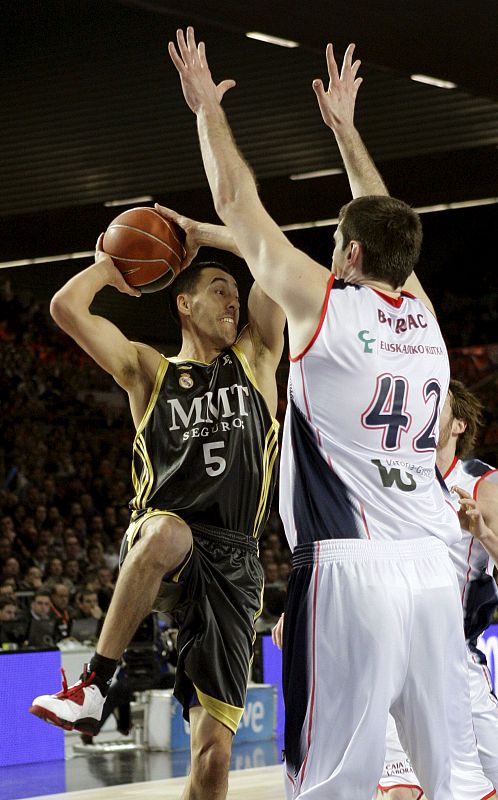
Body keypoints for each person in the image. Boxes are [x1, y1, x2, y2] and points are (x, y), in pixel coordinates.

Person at [168, 27, 495, 799]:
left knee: (327, 780)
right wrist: (348, 131)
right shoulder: (426, 319)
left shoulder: (325, 308)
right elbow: (384, 227)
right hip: (428, 574)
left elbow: (235, 201)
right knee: (451, 779)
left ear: (345, 256)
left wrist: (206, 109)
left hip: (349, 570)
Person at [29, 210, 284, 799]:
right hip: (161, 537)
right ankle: (94, 685)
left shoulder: (258, 358)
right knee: (171, 533)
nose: (234, 302)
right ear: (183, 304)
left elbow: (273, 254)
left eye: (237, 294)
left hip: (234, 566)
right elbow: (66, 309)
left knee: (213, 759)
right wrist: (107, 269)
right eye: (219, 290)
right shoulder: (149, 371)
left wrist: (210, 237)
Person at [379, 380, 498, 799]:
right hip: (397, 654)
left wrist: (483, 533)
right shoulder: (394, 479)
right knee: (400, 791)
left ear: (458, 425)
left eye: (437, 400)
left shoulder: (482, 484)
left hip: (456, 660)